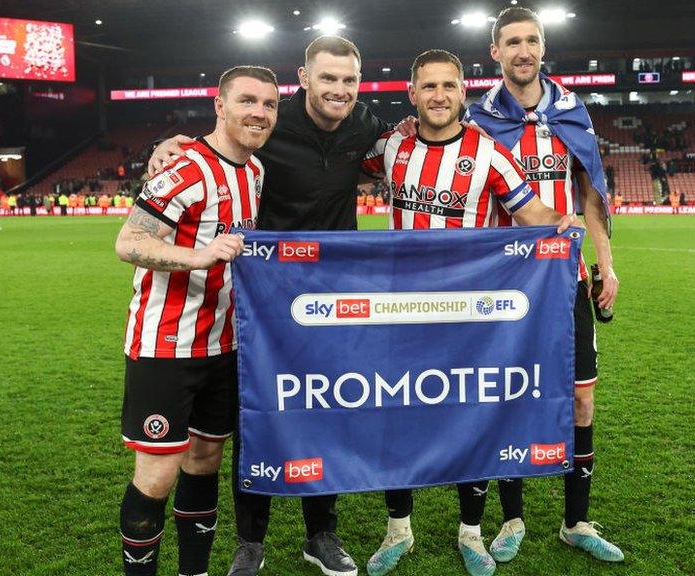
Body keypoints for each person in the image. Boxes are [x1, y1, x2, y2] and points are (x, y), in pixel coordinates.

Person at [149, 36, 413, 576]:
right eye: (328, 78)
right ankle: (251, 541)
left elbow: (405, 147)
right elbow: (216, 144)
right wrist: (165, 143)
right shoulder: (269, 122)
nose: (338, 89)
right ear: (304, 77)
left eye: (348, 79)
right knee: (258, 415)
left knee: (326, 409)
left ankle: (321, 533)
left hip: (336, 293)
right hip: (265, 296)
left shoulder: (365, 123)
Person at [360, 49, 583, 576]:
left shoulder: (489, 152)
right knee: (399, 418)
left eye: (449, 86)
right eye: (428, 87)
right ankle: (399, 530)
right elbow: (328, 168)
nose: (439, 95)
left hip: (469, 312)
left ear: (464, 92)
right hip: (402, 308)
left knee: (472, 418)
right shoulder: (390, 146)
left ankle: (472, 532)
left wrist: (565, 227)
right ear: (412, 94)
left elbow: (533, 214)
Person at [463, 6, 622, 567]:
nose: (523, 51)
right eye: (512, 42)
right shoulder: (475, 117)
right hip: (505, 281)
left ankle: (576, 520)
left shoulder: (572, 109)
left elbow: (590, 193)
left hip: (566, 278)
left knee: (580, 397)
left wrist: (605, 262)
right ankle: (512, 518)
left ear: (543, 48)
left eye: (532, 40)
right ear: (496, 53)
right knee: (507, 395)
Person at [113, 65, 276, 576]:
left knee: (204, 463)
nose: (259, 112)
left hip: (225, 345)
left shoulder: (254, 172)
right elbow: (129, 242)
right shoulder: (184, 167)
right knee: (157, 478)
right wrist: (198, 256)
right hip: (166, 347)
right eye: (248, 100)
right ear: (220, 105)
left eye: (269, 104)